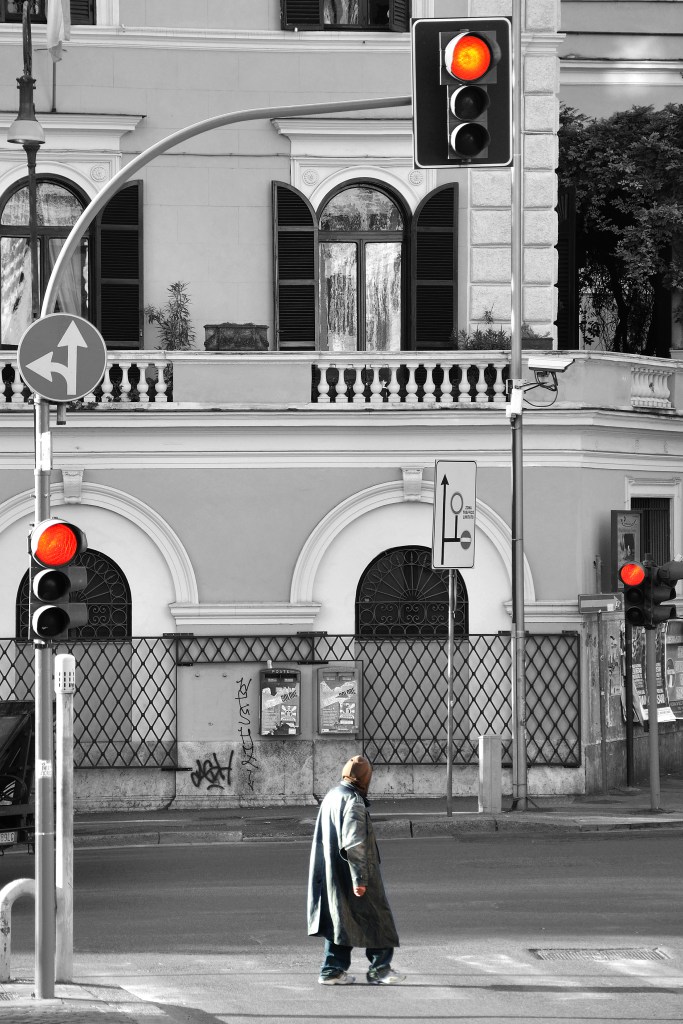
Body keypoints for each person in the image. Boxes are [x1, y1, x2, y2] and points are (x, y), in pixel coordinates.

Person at [307, 754, 405, 986]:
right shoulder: (353, 802)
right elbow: (354, 842)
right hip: (353, 871)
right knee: (378, 918)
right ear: (365, 779)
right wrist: (359, 878)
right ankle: (380, 969)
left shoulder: (332, 795)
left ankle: (332, 970)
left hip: (332, 871)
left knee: (339, 920)